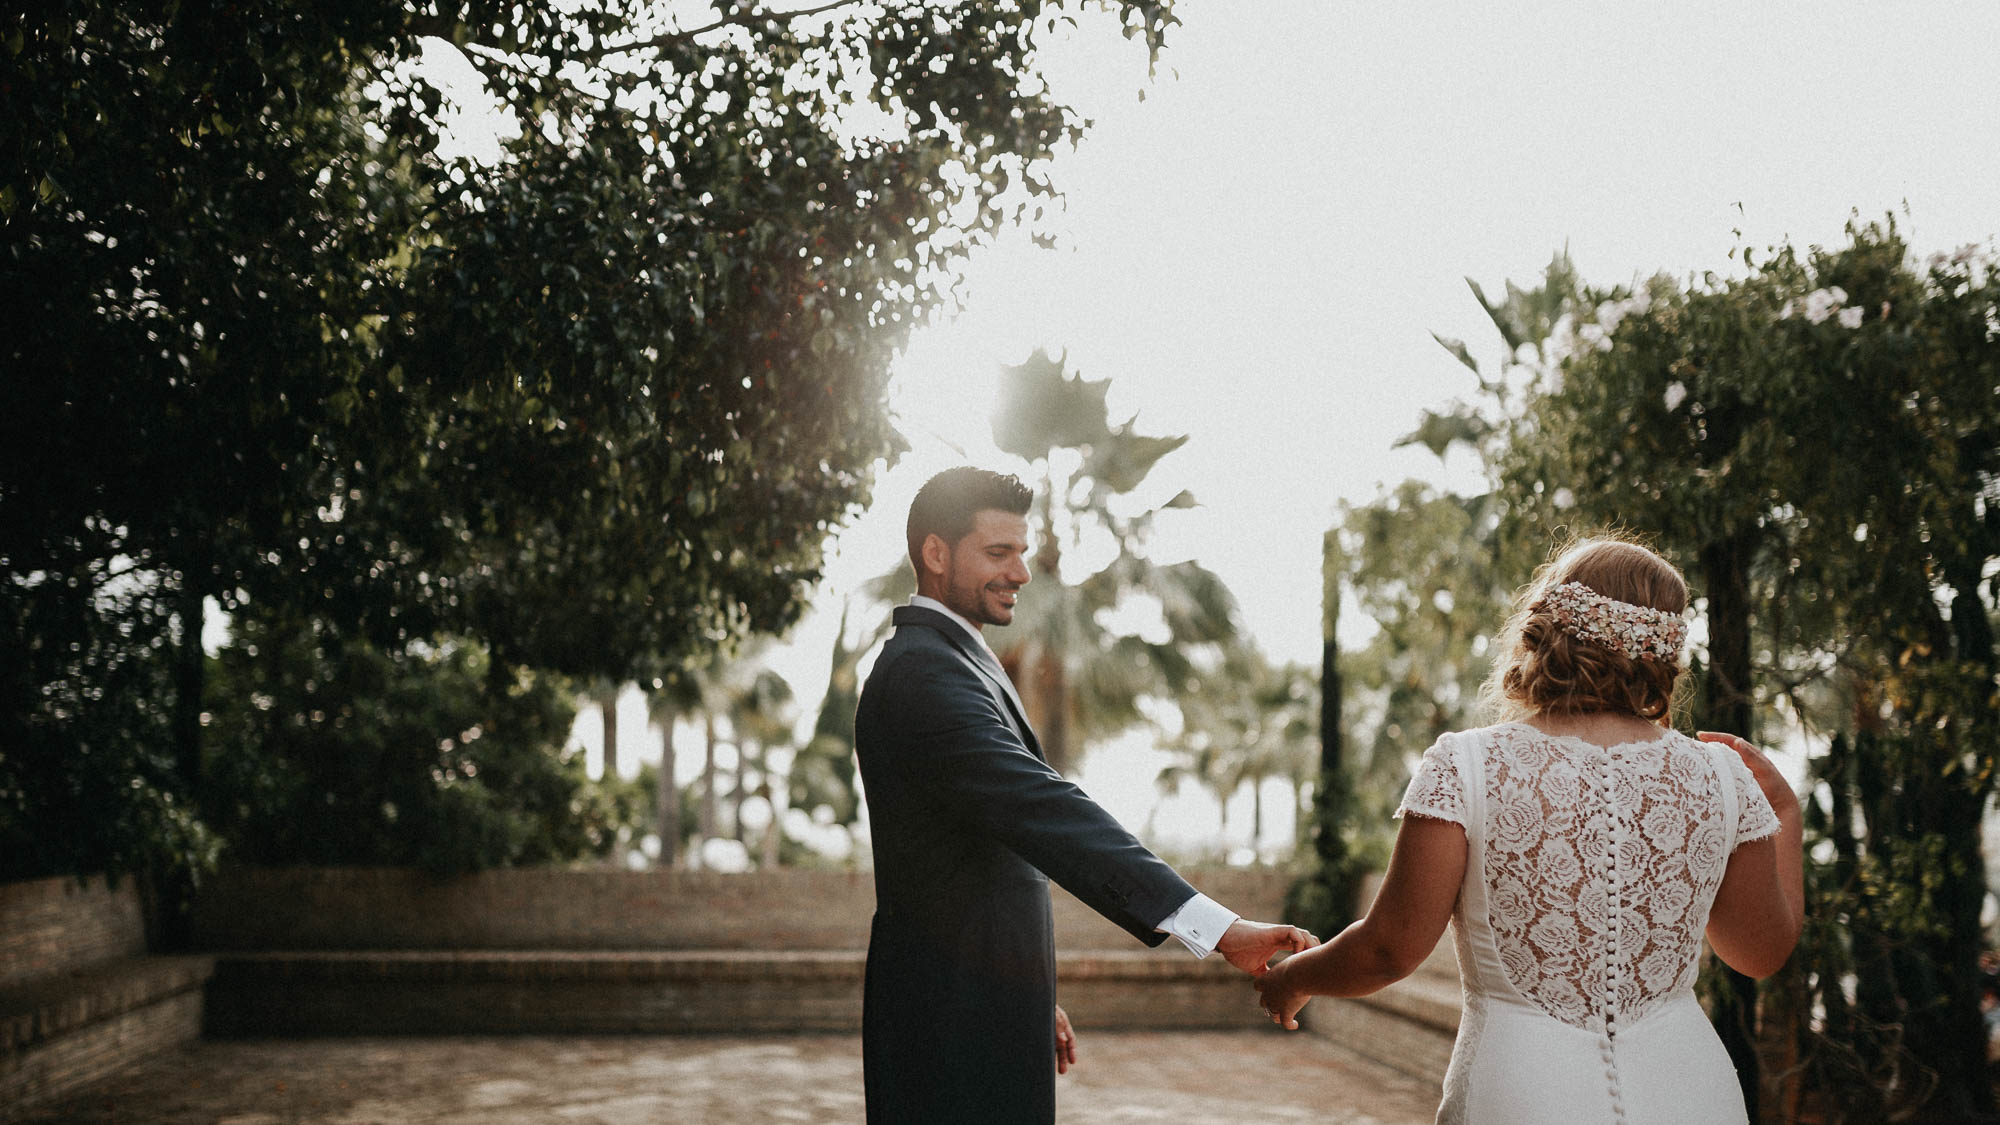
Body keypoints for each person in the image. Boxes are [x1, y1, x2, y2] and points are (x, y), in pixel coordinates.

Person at [1254, 537, 1804, 1125]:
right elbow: (1759, 953)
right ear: (1662, 654)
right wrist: (1786, 820)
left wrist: (1291, 977)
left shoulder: (1467, 766)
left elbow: (1390, 948)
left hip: (1520, 1090)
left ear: (1542, 632)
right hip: (1691, 1092)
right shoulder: (1721, 775)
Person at [854, 466, 1317, 1125]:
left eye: (1020, 550)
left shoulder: (952, 659)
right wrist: (1215, 927)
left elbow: (976, 858)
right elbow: (1044, 810)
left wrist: (1024, 993)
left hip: (978, 1003)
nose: (1020, 571)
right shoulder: (924, 671)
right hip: (947, 1024)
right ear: (935, 553)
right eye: (997, 552)